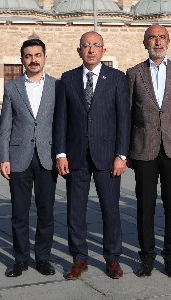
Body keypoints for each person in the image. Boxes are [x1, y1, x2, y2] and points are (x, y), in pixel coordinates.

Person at [53, 31, 131, 280]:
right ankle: (79, 258)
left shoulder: (117, 78)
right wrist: (61, 153)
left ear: (103, 50)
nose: (91, 49)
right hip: (76, 156)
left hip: (107, 156)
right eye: (86, 45)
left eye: (96, 45)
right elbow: (61, 119)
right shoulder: (67, 79)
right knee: (75, 210)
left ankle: (112, 258)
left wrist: (121, 155)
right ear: (79, 50)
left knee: (110, 209)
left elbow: (124, 119)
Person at [126, 24, 171, 278]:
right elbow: (128, 114)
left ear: (168, 41)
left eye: (162, 37)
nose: (157, 42)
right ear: (145, 42)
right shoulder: (134, 73)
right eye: (152, 38)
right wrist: (126, 151)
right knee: (145, 207)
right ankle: (146, 258)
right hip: (144, 149)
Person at [0, 38, 58, 278]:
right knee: (19, 213)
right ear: (22, 59)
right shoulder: (12, 88)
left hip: (47, 156)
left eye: (37, 55)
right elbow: (5, 126)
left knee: (46, 212)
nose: (33, 60)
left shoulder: (57, 86)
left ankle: (43, 258)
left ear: (45, 57)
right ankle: (20, 260)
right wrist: (3, 157)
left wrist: (62, 154)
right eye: (28, 56)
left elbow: (61, 124)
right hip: (19, 156)